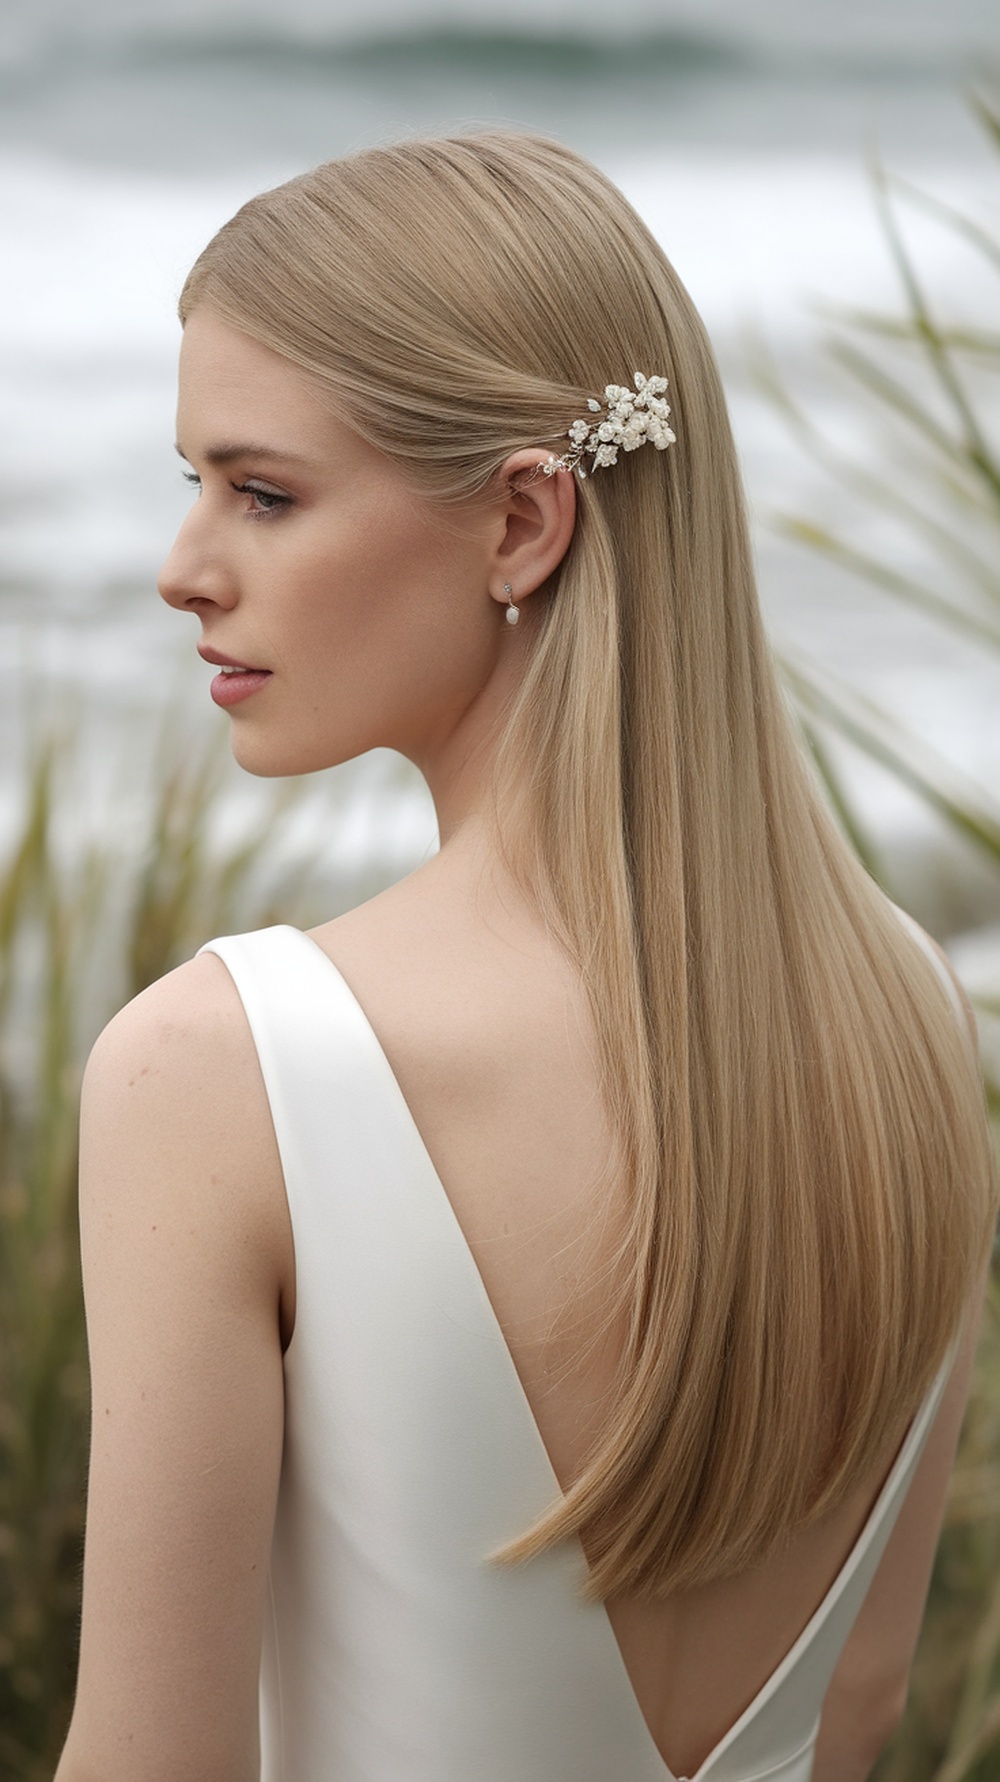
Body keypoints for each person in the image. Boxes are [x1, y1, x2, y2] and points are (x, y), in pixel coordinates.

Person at [55, 132, 995, 1782]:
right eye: (193, 482)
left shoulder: (227, 1071)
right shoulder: (909, 1013)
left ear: (523, 522)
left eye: (261, 491)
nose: (183, 565)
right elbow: (858, 1714)